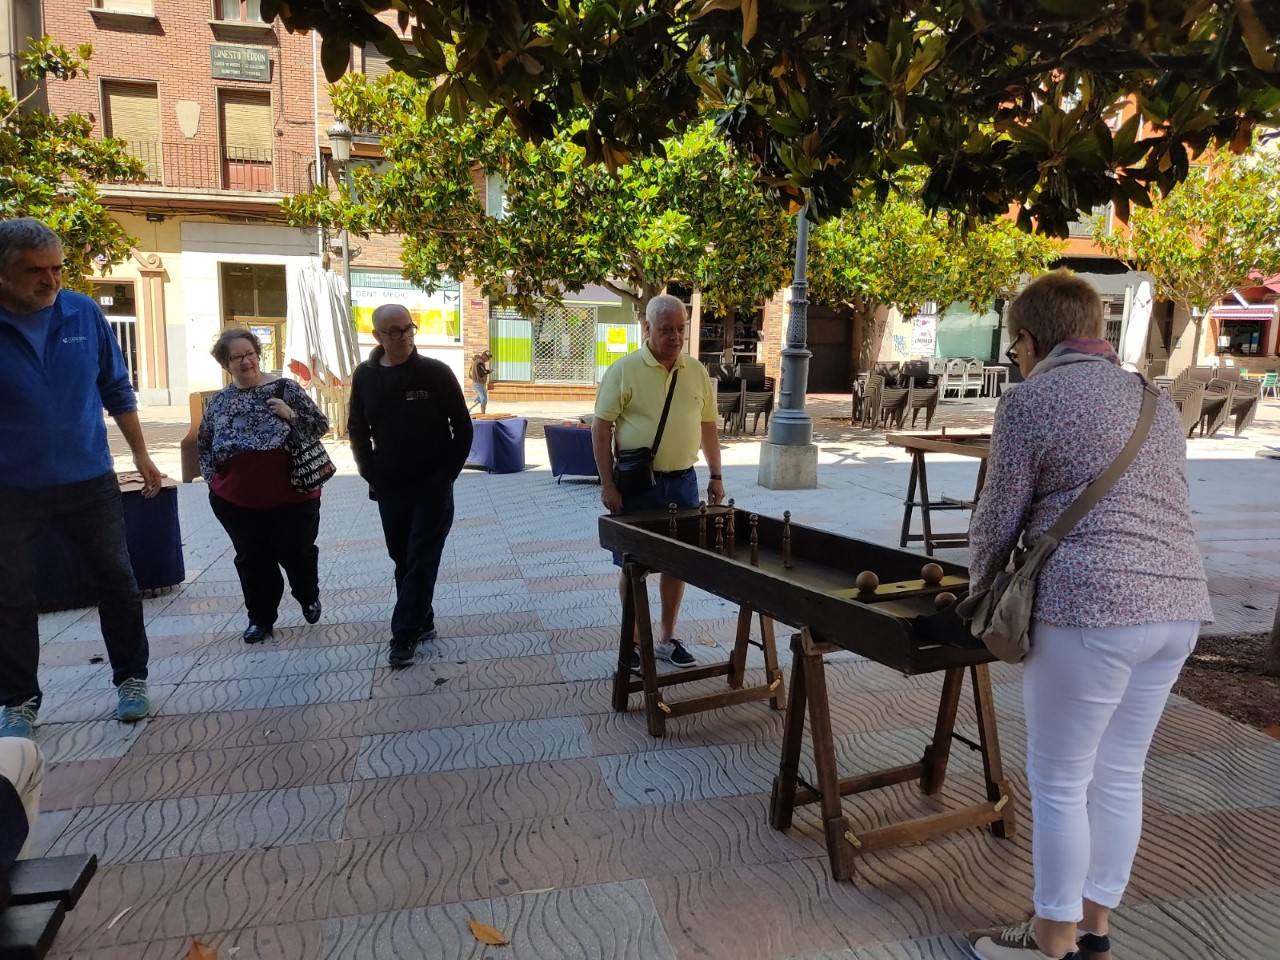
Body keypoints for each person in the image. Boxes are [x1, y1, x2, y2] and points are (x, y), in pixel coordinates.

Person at [964, 271, 1211, 960]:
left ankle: (1051, 943)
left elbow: (994, 523)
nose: (1015, 357)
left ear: (1030, 338)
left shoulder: (1030, 401)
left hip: (1090, 609)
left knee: (1060, 779)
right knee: (1121, 771)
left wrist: (978, 595)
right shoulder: (1152, 401)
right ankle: (1093, 931)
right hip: (1178, 606)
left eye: (1015, 345)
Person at [0, 218, 160, 738]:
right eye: (35, 272)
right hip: (11, 488)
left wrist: (142, 455)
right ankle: (19, 701)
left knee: (117, 580)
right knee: (11, 594)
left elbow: (116, 388)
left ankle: (131, 680)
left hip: (88, 478)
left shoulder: (83, 312)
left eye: (58, 269)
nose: (51, 281)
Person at [592, 293, 724, 669]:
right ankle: (633, 642)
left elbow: (708, 426)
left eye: (681, 329)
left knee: (677, 564)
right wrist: (607, 483)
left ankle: (667, 637)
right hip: (637, 486)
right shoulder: (624, 370)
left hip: (683, 483)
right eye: (667, 330)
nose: (676, 337)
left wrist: (716, 475)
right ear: (647, 328)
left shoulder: (696, 371)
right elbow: (601, 428)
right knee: (633, 565)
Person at [348, 304, 473, 667]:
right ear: (377, 337)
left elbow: (462, 428)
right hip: (389, 486)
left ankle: (403, 635)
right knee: (401, 557)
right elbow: (357, 428)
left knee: (421, 557)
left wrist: (447, 473)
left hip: (432, 486)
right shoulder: (366, 376)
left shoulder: (435, 373)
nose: (403, 337)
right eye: (394, 331)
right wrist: (368, 470)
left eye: (408, 329)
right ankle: (423, 618)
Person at [198, 328, 330, 644]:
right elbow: (204, 442)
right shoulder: (219, 402)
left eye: (250, 354)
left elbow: (321, 425)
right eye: (237, 357)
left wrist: (291, 415)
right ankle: (260, 619)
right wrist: (212, 480)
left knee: (297, 553)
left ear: (258, 355)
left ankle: (307, 594)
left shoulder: (285, 389)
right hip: (238, 501)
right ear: (226, 364)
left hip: (294, 496)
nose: (246, 362)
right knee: (252, 561)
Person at [468, 350, 492, 414]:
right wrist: (489, 371)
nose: (488, 359)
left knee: (481, 399)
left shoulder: (476, 361)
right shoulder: (479, 362)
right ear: (484, 356)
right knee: (483, 399)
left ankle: (469, 409)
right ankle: (483, 414)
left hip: (478, 383)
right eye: (487, 357)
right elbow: (482, 373)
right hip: (478, 383)